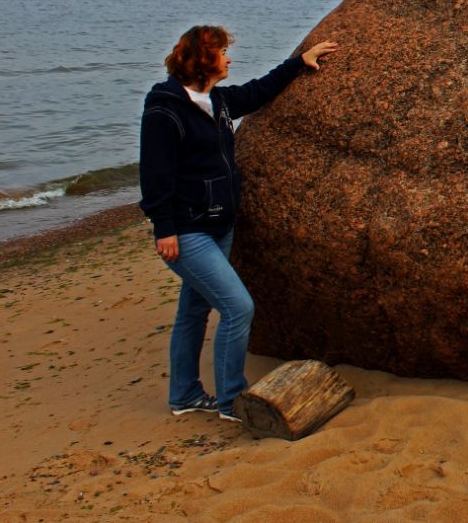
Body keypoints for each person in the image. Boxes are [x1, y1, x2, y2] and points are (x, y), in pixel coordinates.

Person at [139, 25, 338, 422]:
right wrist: (164, 228)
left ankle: (184, 395)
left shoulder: (219, 101)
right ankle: (231, 401)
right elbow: (154, 174)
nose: (229, 59)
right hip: (188, 231)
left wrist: (299, 62)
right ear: (202, 59)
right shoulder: (165, 109)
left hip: (219, 227)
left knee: (193, 312)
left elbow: (259, 91)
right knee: (238, 308)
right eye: (222, 52)